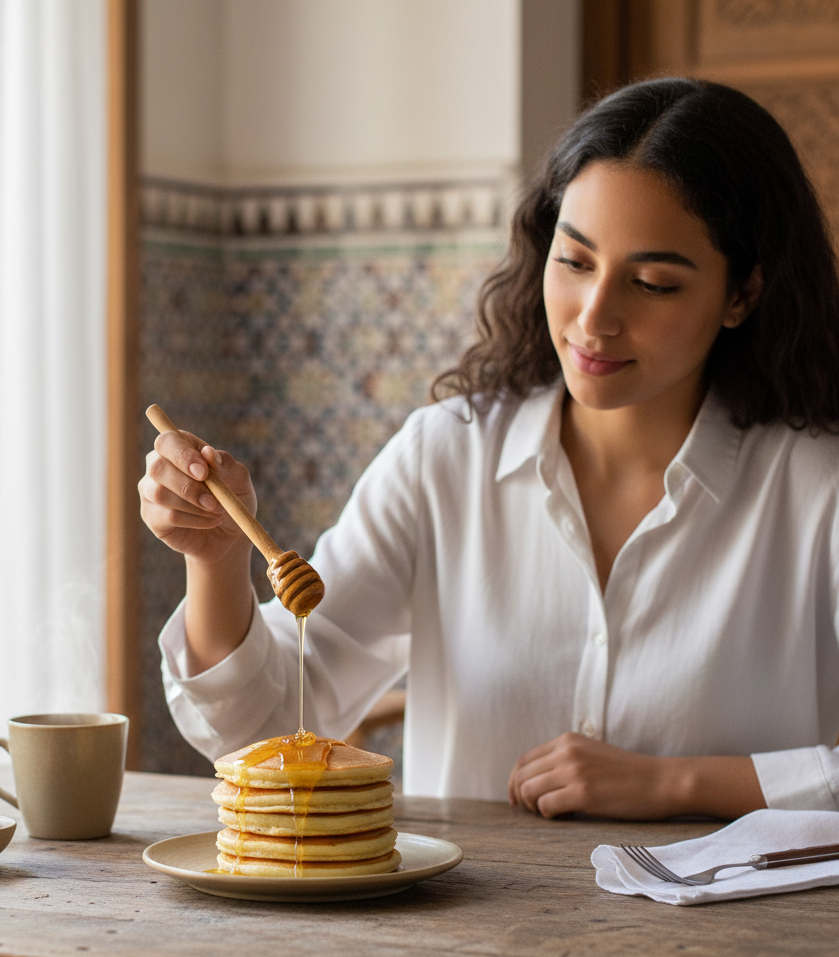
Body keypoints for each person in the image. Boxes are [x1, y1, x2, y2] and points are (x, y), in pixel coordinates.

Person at [139, 78, 839, 820]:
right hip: (472, 901)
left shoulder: (817, 484)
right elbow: (259, 729)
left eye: (652, 283)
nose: (594, 318)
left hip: (735, 903)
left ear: (742, 294)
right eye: (575, 262)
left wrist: (674, 784)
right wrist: (216, 563)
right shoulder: (446, 456)